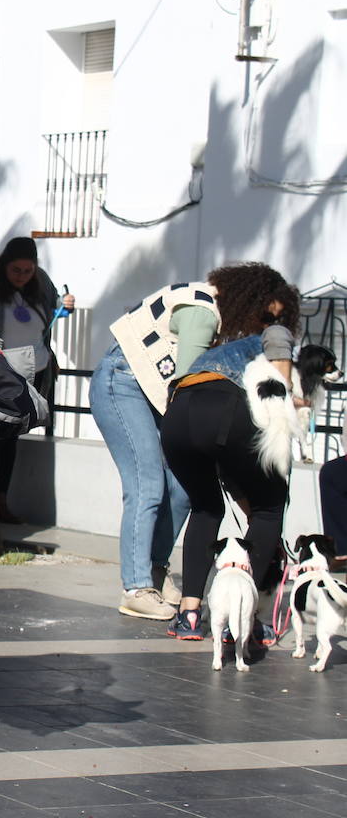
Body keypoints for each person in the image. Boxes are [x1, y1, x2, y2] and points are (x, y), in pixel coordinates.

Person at [160, 263, 302, 641]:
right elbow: (280, 386)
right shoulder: (274, 333)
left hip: (179, 415)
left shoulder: (220, 345)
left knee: (206, 507)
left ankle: (190, 615)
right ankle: (244, 618)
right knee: (269, 508)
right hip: (228, 408)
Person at [89, 277, 221, 621]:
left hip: (151, 391)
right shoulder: (204, 311)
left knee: (182, 488)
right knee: (147, 484)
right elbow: (187, 383)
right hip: (123, 383)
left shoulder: (204, 301)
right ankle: (136, 589)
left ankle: (155, 572)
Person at [0, 236, 75, 523]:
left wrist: (66, 304)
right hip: (0, 375)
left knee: (11, 440)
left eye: (28, 271)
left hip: (32, 374)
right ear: (4, 266)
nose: (22, 276)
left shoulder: (41, 283)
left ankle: (2, 502)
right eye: (16, 270)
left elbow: (54, 308)